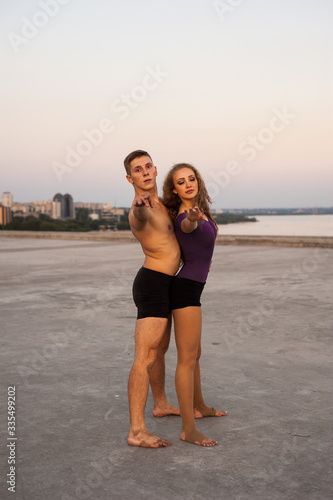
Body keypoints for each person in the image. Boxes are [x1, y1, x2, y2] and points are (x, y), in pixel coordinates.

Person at [163, 163, 227, 447]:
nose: (187, 183)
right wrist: (192, 217)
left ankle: (199, 406)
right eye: (180, 181)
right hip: (185, 290)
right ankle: (188, 428)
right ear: (174, 189)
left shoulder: (201, 210)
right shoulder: (184, 216)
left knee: (195, 354)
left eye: (191, 178)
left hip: (193, 287)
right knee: (186, 360)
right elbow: (187, 226)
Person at [124, 150, 181, 448]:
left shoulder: (162, 205)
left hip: (168, 284)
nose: (145, 172)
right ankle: (136, 430)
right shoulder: (140, 209)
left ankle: (161, 403)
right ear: (129, 177)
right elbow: (139, 216)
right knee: (144, 359)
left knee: (160, 351)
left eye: (148, 166)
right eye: (137, 169)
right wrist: (139, 206)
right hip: (152, 284)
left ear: (156, 169)